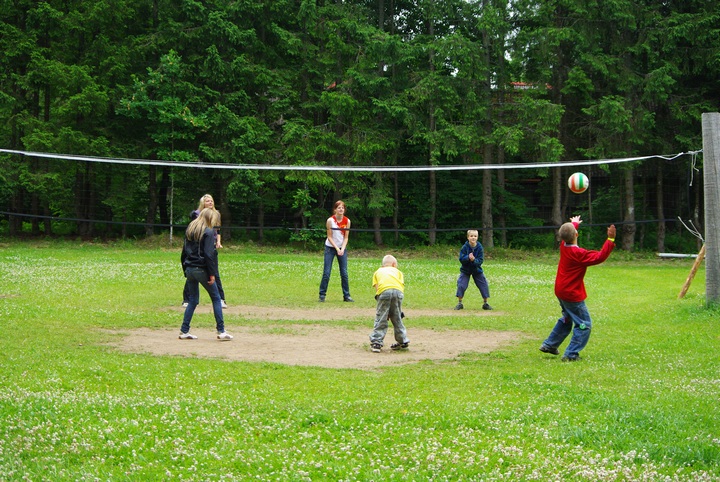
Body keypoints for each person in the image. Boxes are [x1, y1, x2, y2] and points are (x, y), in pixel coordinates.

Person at [540, 215, 616, 361]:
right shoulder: (579, 254)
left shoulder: (563, 246)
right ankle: (571, 354)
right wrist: (610, 240)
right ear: (576, 234)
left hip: (561, 291)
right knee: (584, 324)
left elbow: (568, 234)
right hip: (571, 294)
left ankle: (550, 345)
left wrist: (574, 223)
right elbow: (599, 257)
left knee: (567, 318)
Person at [179, 208, 233, 340]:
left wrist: (185, 269)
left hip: (190, 268)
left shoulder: (190, 231)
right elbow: (209, 254)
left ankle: (184, 331)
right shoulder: (208, 232)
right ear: (210, 218)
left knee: (193, 300)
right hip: (202, 269)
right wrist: (212, 274)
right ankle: (221, 331)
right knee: (216, 298)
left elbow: (183, 252)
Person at [182, 194, 227, 308]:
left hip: (210, 244)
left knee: (214, 272)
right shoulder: (196, 214)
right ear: (203, 203)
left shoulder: (216, 214)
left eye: (211, 200)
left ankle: (221, 299)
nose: (210, 202)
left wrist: (218, 242)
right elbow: (193, 230)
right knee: (194, 271)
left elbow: (217, 230)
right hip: (198, 246)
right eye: (207, 201)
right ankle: (187, 299)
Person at [369, 255, 410, 353]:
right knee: (397, 317)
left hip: (384, 292)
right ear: (394, 264)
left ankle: (377, 342)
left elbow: (378, 289)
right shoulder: (398, 272)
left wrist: (384, 309)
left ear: (383, 265)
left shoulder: (378, 272)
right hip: (398, 292)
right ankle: (403, 341)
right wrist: (396, 309)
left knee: (381, 318)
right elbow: (399, 287)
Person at [318, 200, 354, 302]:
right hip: (330, 248)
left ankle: (346, 296)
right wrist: (337, 248)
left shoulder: (347, 221)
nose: (341, 209)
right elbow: (329, 237)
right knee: (327, 272)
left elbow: (346, 237)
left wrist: (342, 249)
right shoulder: (330, 221)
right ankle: (322, 295)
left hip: (342, 248)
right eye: (339, 208)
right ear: (335, 210)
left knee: (344, 273)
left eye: (342, 208)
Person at [454, 229, 492, 311]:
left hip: (477, 270)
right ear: (468, 237)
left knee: (483, 285)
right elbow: (461, 259)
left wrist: (474, 260)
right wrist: (468, 257)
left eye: (475, 236)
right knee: (461, 285)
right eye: (471, 236)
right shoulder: (464, 247)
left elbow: (480, 261)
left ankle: (485, 303)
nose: (473, 238)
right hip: (466, 270)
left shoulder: (480, 248)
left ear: (477, 237)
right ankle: (459, 303)